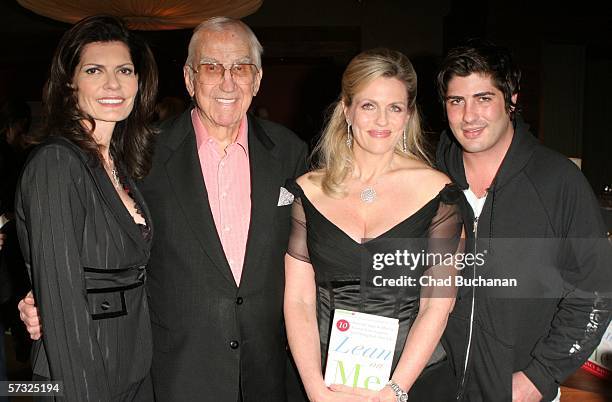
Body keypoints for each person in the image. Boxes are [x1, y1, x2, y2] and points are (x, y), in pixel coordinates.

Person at [19, 16, 308, 402]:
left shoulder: (291, 153)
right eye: (211, 67)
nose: (227, 81)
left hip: (265, 375)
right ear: (189, 79)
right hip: (171, 375)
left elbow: (314, 255)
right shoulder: (143, 154)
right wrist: (47, 295)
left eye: (240, 67)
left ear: (256, 79)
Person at [435, 39, 612, 402]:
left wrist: (540, 376)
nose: (469, 116)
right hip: (431, 386)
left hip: (517, 391)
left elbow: (595, 293)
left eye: (483, 98)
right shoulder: (429, 178)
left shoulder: (558, 181)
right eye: (457, 101)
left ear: (512, 99)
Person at [284, 48, 464, 402]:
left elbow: (437, 304)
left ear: (408, 114)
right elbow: (300, 301)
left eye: (394, 107)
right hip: (320, 379)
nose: (382, 120)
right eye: (369, 105)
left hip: (412, 381)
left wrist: (394, 391)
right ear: (347, 109)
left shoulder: (439, 192)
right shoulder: (307, 190)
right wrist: (316, 390)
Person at [15, 15, 158, 401]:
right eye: (95, 70)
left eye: (124, 70)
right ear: (69, 83)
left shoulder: (119, 164)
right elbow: (62, 309)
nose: (113, 84)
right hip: (82, 376)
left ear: (138, 82)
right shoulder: (57, 165)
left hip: (131, 365)